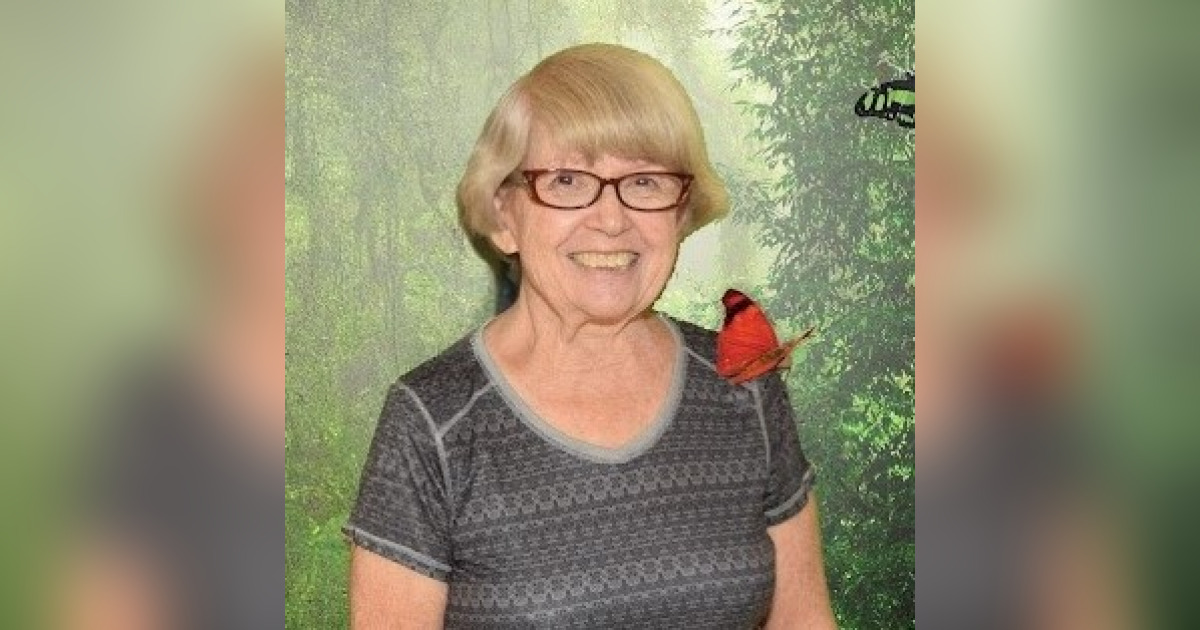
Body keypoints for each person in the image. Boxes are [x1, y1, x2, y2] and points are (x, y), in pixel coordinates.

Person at [344, 43, 836, 629]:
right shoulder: (433, 420)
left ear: (681, 214)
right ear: (504, 216)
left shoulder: (744, 386)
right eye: (568, 180)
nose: (611, 219)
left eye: (646, 182)